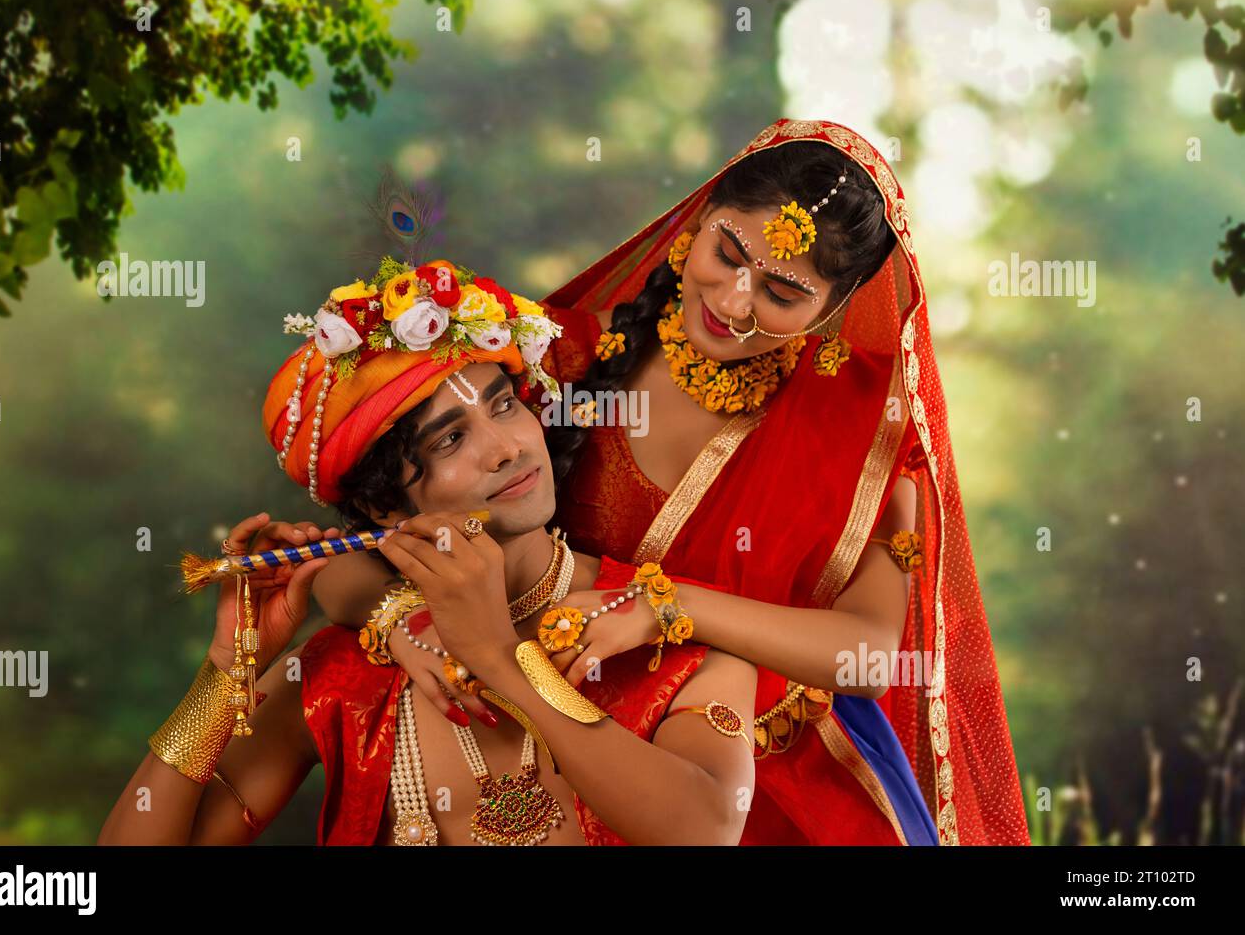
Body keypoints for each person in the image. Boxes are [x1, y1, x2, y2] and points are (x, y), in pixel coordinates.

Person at [315, 120, 1029, 846]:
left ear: (834, 307)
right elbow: (350, 559)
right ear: (699, 218)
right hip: (582, 749)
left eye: (784, 291)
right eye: (727, 253)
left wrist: (668, 606)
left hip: (784, 787)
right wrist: (403, 623)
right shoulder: (564, 364)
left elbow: (872, 657)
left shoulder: (865, 430)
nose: (736, 300)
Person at [99, 258, 757, 846]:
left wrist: (501, 660)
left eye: (504, 406)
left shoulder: (663, 631)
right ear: (385, 507)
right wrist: (224, 674)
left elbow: (704, 829)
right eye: (449, 441)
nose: (506, 448)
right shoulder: (344, 678)